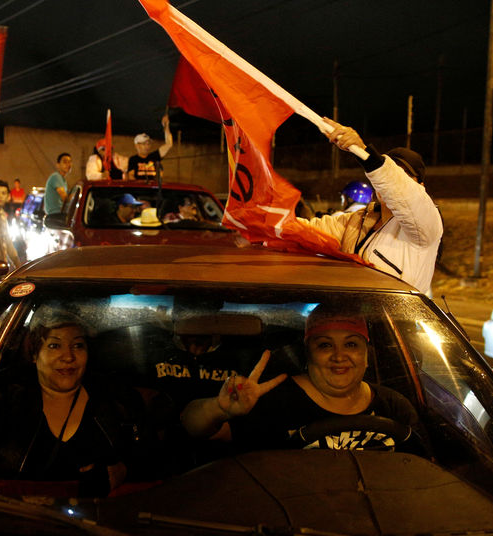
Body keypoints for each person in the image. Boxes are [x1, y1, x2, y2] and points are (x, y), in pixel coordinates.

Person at [0, 306, 147, 497]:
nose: (68, 356)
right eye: (54, 345)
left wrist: (125, 470)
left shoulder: (116, 401)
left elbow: (155, 462)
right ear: (35, 353)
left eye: (78, 345)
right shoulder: (2, 396)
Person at [180, 304, 420, 452]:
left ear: (366, 354)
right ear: (308, 353)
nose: (339, 356)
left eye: (351, 344)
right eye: (325, 345)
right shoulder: (272, 402)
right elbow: (191, 427)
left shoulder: (395, 407)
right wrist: (218, 409)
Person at [299, 118, 443, 294]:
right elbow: (305, 231)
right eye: (392, 171)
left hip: (396, 320)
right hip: (355, 316)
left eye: (405, 175)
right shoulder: (358, 219)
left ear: (420, 187)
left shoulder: (427, 225)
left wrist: (363, 152)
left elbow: (402, 191)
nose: (388, 183)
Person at [126, 114, 173, 181]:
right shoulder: (133, 160)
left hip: (153, 189)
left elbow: (169, 144)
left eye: (148, 144)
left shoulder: (154, 157)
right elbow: (130, 176)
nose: (147, 146)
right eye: (144, 144)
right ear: (137, 145)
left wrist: (166, 126)